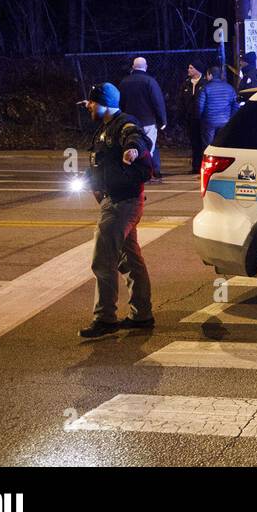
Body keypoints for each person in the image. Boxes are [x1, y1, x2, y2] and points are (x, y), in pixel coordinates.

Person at [78, 83, 154, 339]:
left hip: (122, 203)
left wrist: (134, 149)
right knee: (130, 259)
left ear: (104, 102)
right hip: (118, 201)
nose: (88, 105)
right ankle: (141, 314)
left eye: (91, 101)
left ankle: (105, 318)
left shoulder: (124, 124)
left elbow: (137, 137)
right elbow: (100, 163)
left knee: (102, 261)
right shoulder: (103, 129)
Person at [118, 56, 166, 181]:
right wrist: (162, 120)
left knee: (133, 146)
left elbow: (121, 103)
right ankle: (150, 172)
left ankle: (135, 172)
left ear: (133, 67)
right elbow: (157, 102)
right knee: (149, 146)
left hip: (130, 121)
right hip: (148, 121)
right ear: (146, 67)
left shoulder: (124, 82)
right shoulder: (150, 81)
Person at [196, 63, 237, 148]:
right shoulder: (229, 88)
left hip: (209, 121)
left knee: (208, 145)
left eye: (207, 74)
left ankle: (209, 159)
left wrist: (200, 117)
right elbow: (235, 105)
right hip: (225, 121)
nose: (206, 77)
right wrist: (230, 117)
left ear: (210, 75)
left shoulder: (205, 88)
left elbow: (200, 106)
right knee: (222, 144)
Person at [177, 63, 205, 174]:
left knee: (203, 142)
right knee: (194, 143)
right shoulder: (186, 84)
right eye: (188, 67)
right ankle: (195, 166)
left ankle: (203, 166)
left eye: (191, 68)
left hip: (203, 119)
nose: (188, 70)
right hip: (190, 119)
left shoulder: (205, 83)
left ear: (197, 69)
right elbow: (181, 101)